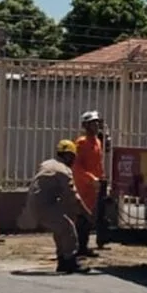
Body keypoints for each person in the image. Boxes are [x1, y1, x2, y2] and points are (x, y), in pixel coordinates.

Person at [26, 140, 92, 274]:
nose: (74, 161)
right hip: (44, 206)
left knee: (60, 229)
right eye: (73, 157)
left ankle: (62, 261)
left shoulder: (47, 163)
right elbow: (74, 197)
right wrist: (88, 215)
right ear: (68, 156)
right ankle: (70, 261)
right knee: (68, 228)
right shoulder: (63, 170)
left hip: (35, 204)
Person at [73, 110, 105, 258]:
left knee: (90, 216)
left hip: (94, 185)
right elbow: (77, 166)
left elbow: (98, 164)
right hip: (83, 184)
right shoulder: (81, 143)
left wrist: (101, 178)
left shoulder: (98, 142)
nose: (96, 125)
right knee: (82, 216)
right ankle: (79, 247)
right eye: (92, 123)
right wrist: (90, 178)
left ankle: (83, 246)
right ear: (85, 126)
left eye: (97, 122)